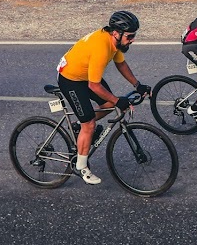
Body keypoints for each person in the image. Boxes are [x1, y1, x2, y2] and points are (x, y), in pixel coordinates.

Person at [56, 10, 151, 185]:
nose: (133, 40)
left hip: (86, 76)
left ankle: (79, 126)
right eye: (130, 37)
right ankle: (81, 166)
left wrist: (137, 85)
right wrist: (117, 100)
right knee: (90, 123)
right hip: (71, 79)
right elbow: (94, 86)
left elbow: (121, 63)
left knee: (109, 103)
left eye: (134, 36)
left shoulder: (114, 43)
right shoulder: (101, 47)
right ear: (116, 33)